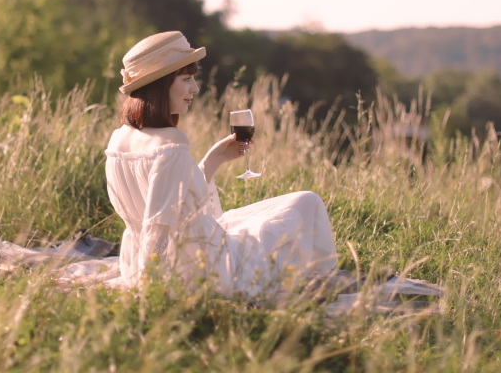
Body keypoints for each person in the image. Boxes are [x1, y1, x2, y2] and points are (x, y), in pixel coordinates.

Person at [105, 31, 338, 297]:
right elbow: (159, 227)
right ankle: (319, 280)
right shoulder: (172, 143)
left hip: (134, 263)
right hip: (198, 266)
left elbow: (174, 206)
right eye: (186, 79)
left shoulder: (117, 140)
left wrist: (213, 159)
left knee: (251, 222)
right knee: (305, 202)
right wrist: (151, 289)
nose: (195, 88)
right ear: (159, 85)